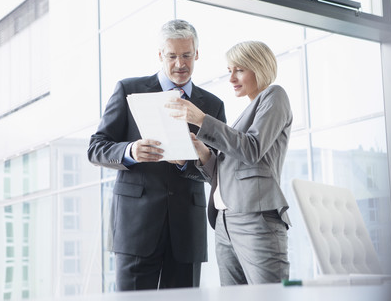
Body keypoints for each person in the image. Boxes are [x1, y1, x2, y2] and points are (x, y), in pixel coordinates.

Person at [87, 19, 226, 290]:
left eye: (187, 55)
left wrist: (188, 162)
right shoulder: (129, 90)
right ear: (160, 55)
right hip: (135, 228)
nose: (180, 64)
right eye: (172, 56)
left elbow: (220, 169)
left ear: (197, 53)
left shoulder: (212, 105)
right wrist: (130, 151)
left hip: (186, 230)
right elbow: (96, 148)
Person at [166, 40, 292, 285]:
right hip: (225, 222)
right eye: (229, 71)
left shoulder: (275, 95)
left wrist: (203, 120)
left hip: (255, 218)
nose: (232, 78)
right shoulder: (245, 114)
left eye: (240, 70)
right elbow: (230, 171)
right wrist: (204, 153)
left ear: (260, 67)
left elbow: (251, 148)